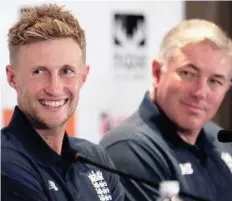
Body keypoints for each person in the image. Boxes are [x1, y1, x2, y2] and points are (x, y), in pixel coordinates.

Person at [1, 4, 124, 201]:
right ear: (12, 78)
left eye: (66, 71)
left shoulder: (95, 158)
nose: (55, 88)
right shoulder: (5, 163)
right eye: (39, 72)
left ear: (83, 76)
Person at [100, 19, 232, 201]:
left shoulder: (222, 141)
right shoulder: (128, 148)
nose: (201, 92)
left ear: (226, 88)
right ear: (157, 72)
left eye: (215, 81)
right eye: (188, 73)